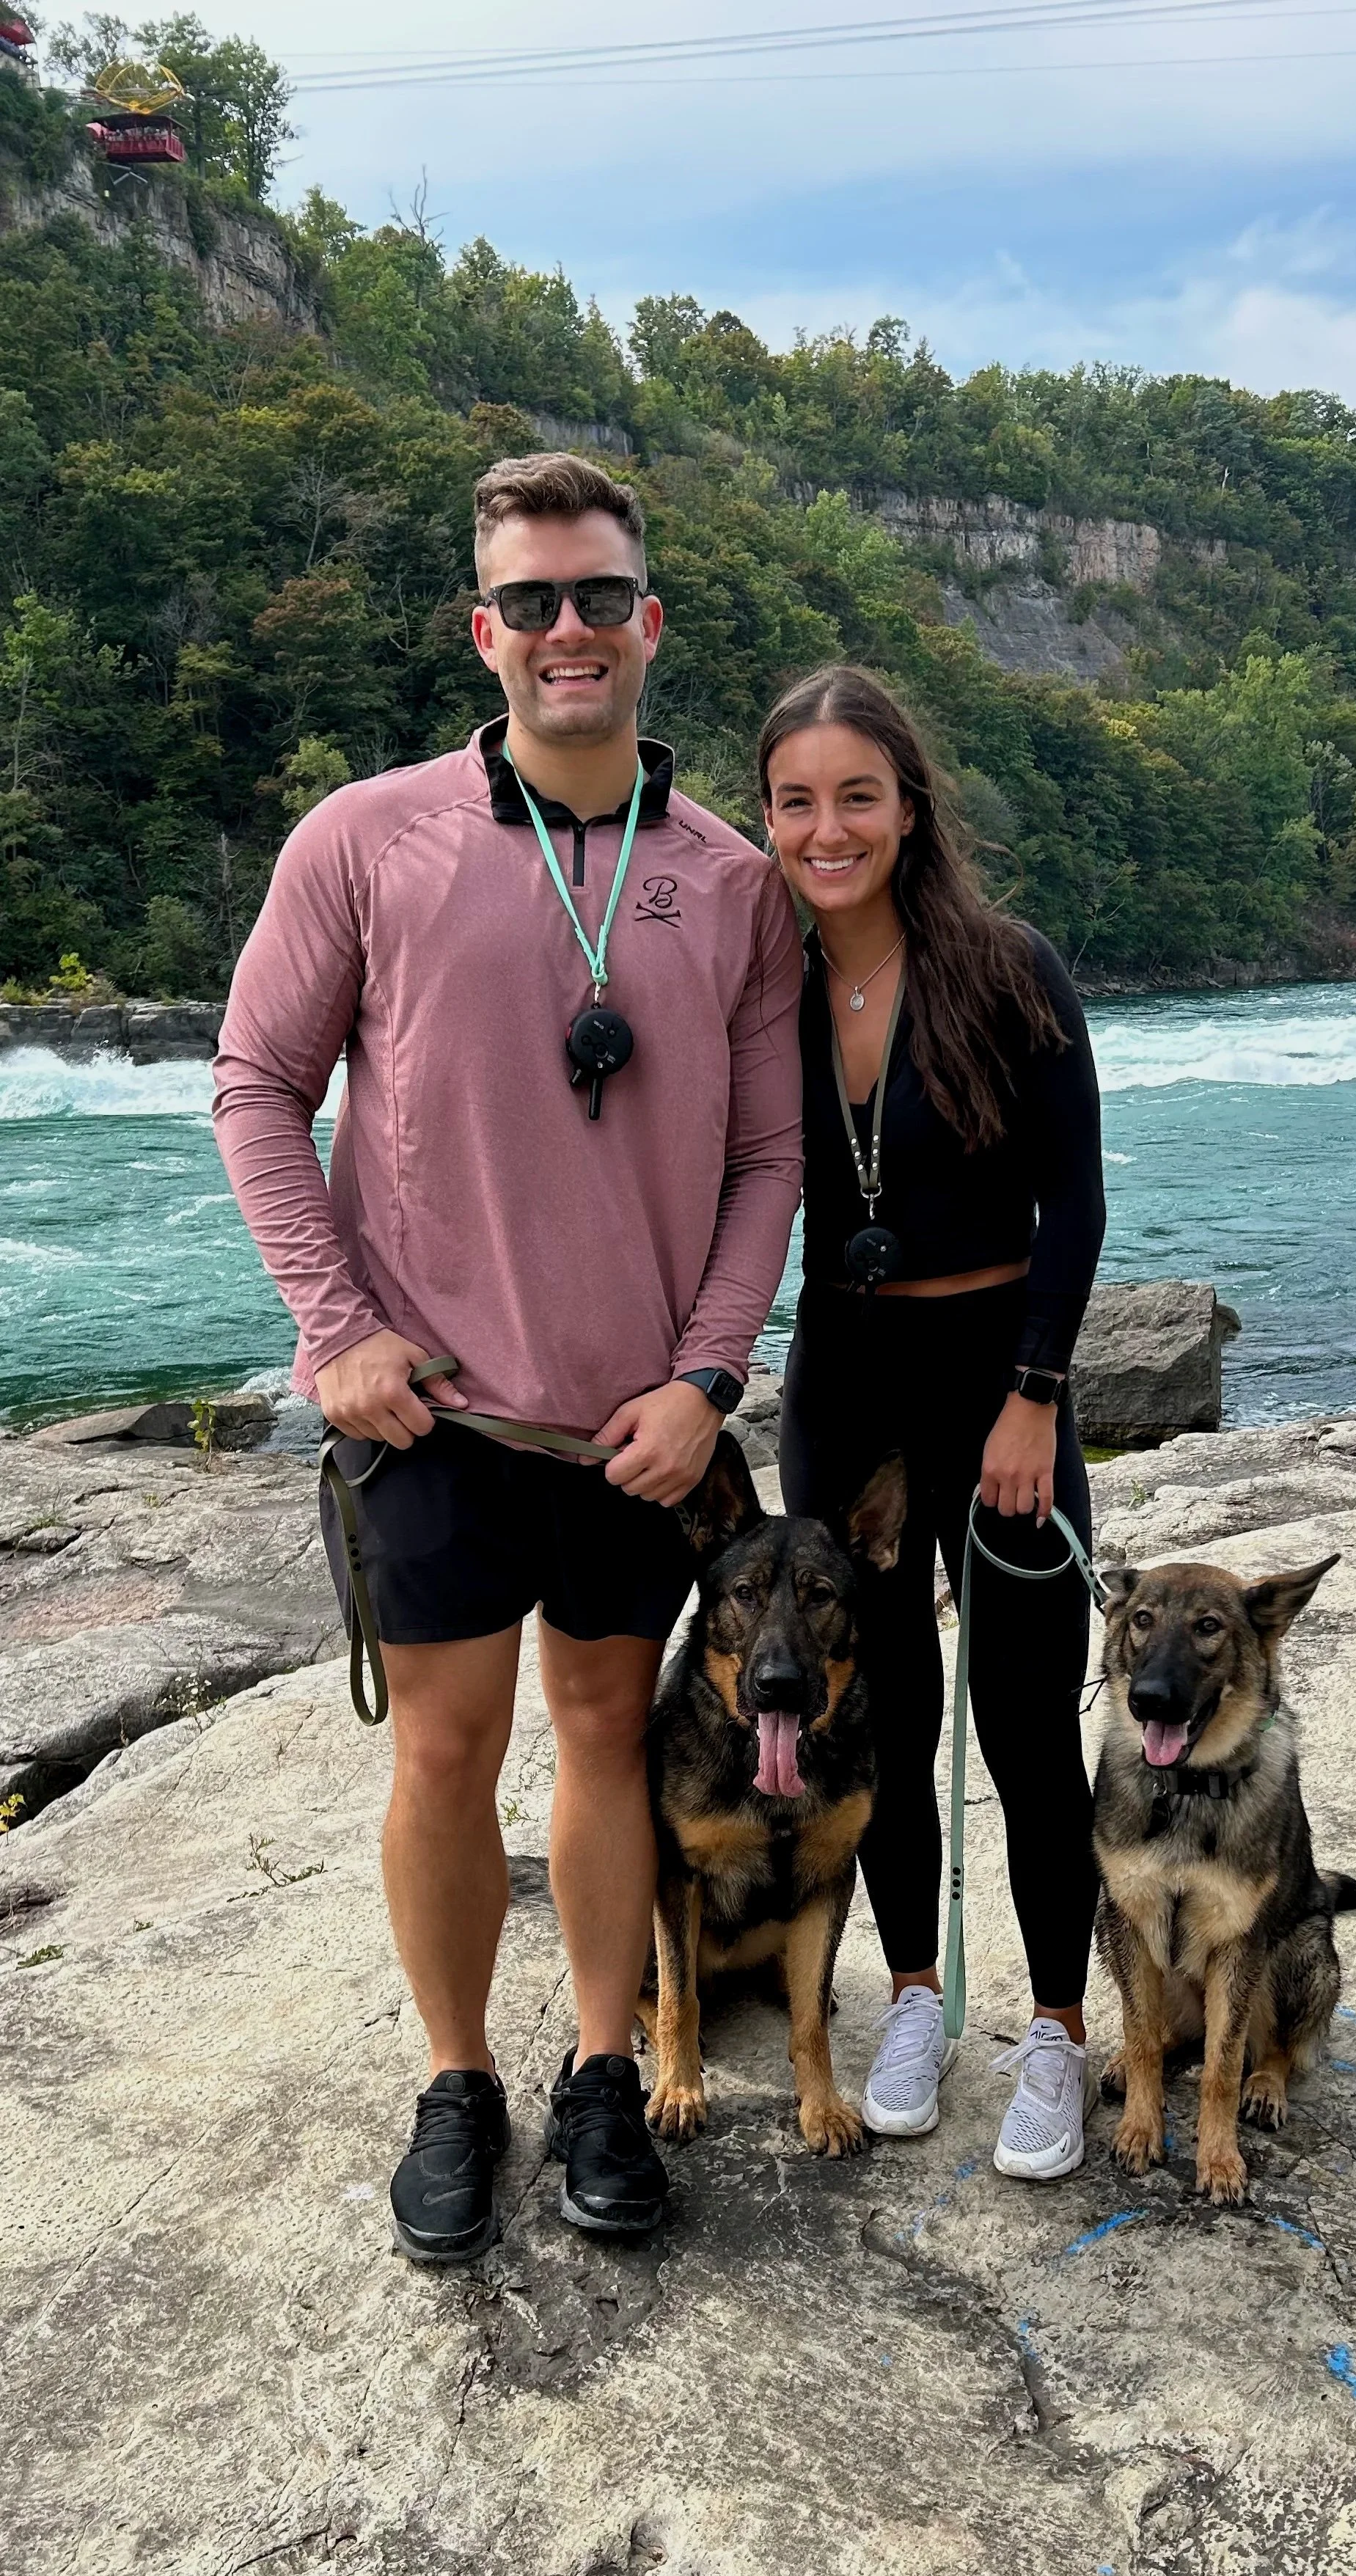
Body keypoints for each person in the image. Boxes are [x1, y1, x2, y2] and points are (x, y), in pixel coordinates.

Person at [214, 453, 802, 2261]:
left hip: (639, 1430)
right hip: (438, 1413)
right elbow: (255, 1085)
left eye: (599, 597)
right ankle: (460, 2082)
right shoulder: (363, 838)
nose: (569, 630)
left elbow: (770, 1157)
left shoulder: (734, 881)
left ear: (650, 622)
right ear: (485, 630)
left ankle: (607, 2073)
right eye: (533, 601)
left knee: (611, 1737)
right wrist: (336, 1331)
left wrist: (709, 1381)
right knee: (448, 1754)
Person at [761, 666, 1107, 2181]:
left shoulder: (1007, 967)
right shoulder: (758, 986)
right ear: (766, 816)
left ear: (909, 807)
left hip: (996, 1377)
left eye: (857, 796)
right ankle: (913, 1997)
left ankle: (1051, 2028)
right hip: (844, 1377)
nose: (827, 829)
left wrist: (1035, 1394)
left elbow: (1078, 1203)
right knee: (878, 1717)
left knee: (1029, 1720)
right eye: (794, 801)